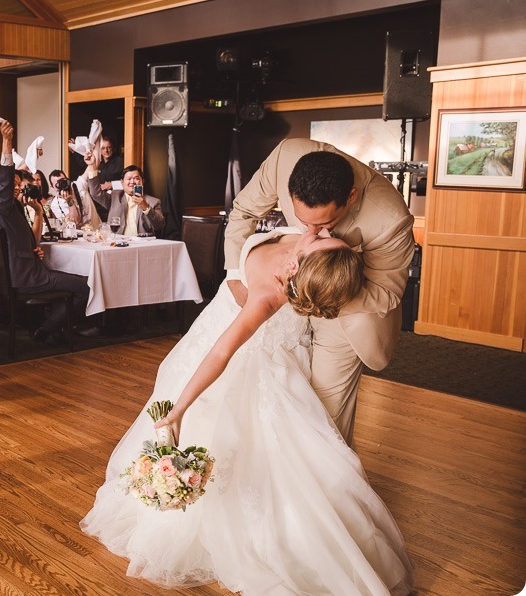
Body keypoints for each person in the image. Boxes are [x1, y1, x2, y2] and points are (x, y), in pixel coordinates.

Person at [81, 226, 414, 594]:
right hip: (208, 330)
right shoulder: (307, 249)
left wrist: (180, 408)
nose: (323, 231)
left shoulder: (268, 298)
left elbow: (222, 353)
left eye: (321, 240)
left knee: (251, 450)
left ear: (294, 268)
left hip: (252, 360)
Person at [224, 139, 415, 445]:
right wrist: (235, 273)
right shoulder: (285, 156)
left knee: (326, 419)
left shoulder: (390, 219)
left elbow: (386, 292)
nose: (311, 234)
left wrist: (319, 294)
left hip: (347, 312)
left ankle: (329, 489)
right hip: (287, 306)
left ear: (350, 197)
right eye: (302, 221)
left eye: (326, 222)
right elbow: (244, 211)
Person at [0, 121, 89, 343]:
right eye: (10, 183)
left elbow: (32, 241)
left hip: (21, 273)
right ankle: (48, 328)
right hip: (26, 278)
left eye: (18, 184)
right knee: (86, 285)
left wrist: (38, 213)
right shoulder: (0, 203)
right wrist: (7, 142)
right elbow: (5, 179)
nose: (16, 187)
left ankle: (54, 326)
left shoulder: (13, 207)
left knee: (75, 281)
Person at [86, 158, 165, 236]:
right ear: (122, 182)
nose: (132, 182)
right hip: (118, 244)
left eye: (136, 178)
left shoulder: (153, 202)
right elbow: (95, 194)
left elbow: (159, 226)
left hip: (142, 245)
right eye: (129, 179)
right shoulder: (115, 197)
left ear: (142, 181)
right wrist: (91, 165)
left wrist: (146, 207)